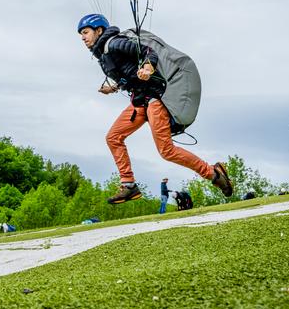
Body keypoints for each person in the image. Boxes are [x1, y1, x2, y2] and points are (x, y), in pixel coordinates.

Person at [77, 13, 233, 204]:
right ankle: (129, 186)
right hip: (139, 102)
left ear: (98, 30)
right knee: (113, 138)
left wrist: (149, 68)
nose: (83, 38)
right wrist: (114, 88)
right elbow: (129, 73)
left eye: (85, 32)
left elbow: (149, 52)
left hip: (153, 98)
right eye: (81, 35)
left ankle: (213, 173)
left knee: (166, 150)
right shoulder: (104, 55)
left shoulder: (115, 43)